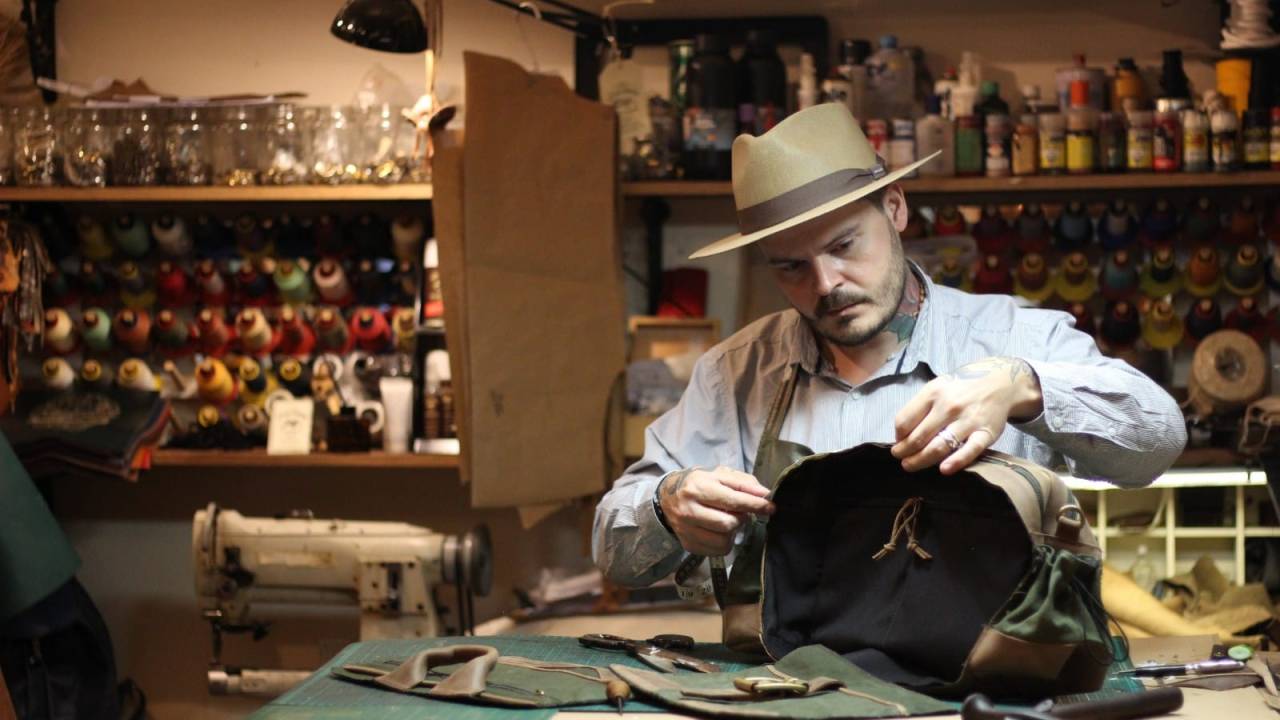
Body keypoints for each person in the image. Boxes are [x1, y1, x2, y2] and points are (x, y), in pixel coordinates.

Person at [592, 103, 1186, 588]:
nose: (825, 285)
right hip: (793, 688)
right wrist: (669, 506)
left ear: (895, 208)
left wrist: (1024, 387)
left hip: (982, 688)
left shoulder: (1012, 338)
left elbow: (1158, 441)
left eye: (845, 246)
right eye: (792, 267)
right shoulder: (737, 374)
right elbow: (611, 548)